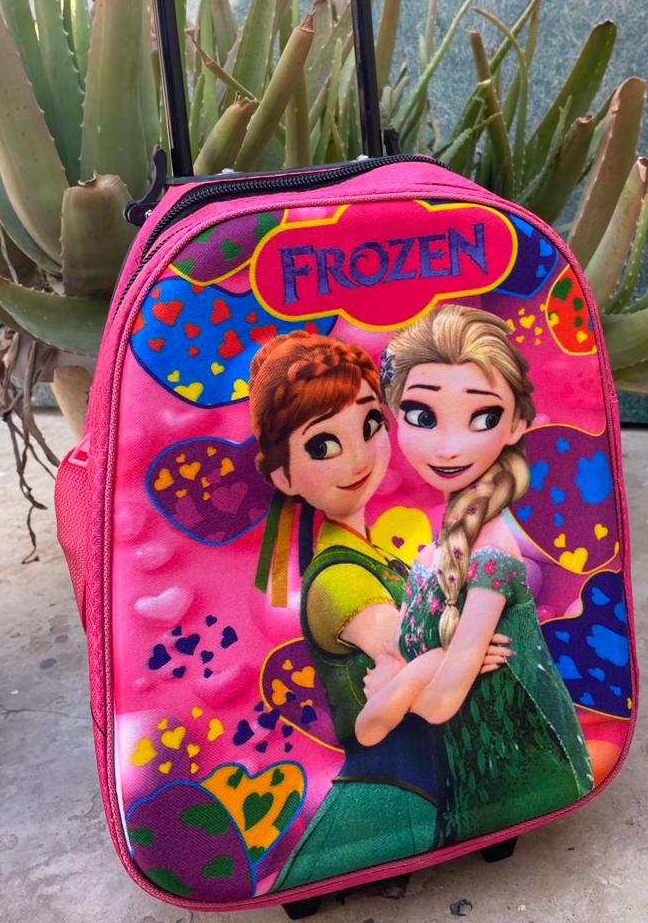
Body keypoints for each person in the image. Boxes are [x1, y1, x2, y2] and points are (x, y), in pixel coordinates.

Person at [356, 305, 594, 847]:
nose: (448, 446)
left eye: (482, 418)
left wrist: (412, 676)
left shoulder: (492, 557)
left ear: (516, 425)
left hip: (511, 771)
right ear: (394, 416)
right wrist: (417, 673)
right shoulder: (432, 555)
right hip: (463, 771)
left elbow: (436, 704)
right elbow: (372, 723)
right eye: (422, 415)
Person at [247, 331, 440, 888]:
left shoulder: (369, 553)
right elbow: (419, 652)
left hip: (421, 778)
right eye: (322, 446)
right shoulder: (339, 578)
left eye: (370, 423)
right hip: (392, 796)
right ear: (282, 476)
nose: (358, 456)